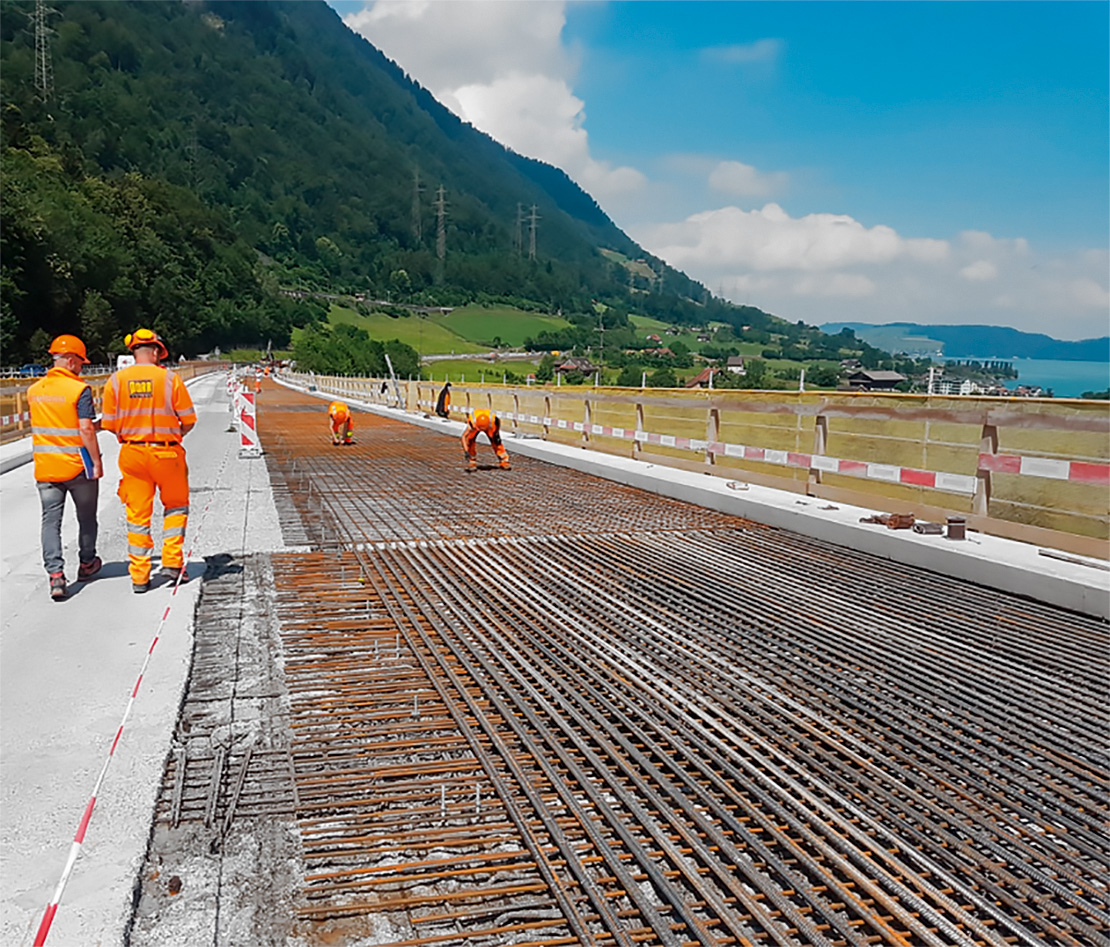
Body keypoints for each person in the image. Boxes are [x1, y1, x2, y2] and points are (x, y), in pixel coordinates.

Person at [101, 329, 196, 593]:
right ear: (156, 352)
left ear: (133, 352)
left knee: (137, 515)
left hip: (132, 454)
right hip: (167, 453)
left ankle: (140, 577)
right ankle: (173, 564)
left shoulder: (116, 381)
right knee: (176, 507)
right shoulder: (169, 379)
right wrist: (173, 435)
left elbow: (108, 423)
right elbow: (188, 419)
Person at [27, 335, 105, 600]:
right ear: (71, 361)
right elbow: (84, 428)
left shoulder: (33, 390)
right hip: (77, 467)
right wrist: (96, 461)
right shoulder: (78, 390)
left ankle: (56, 576)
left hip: (46, 468)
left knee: (50, 522)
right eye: (81, 362)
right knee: (86, 517)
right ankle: (87, 563)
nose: (82, 367)